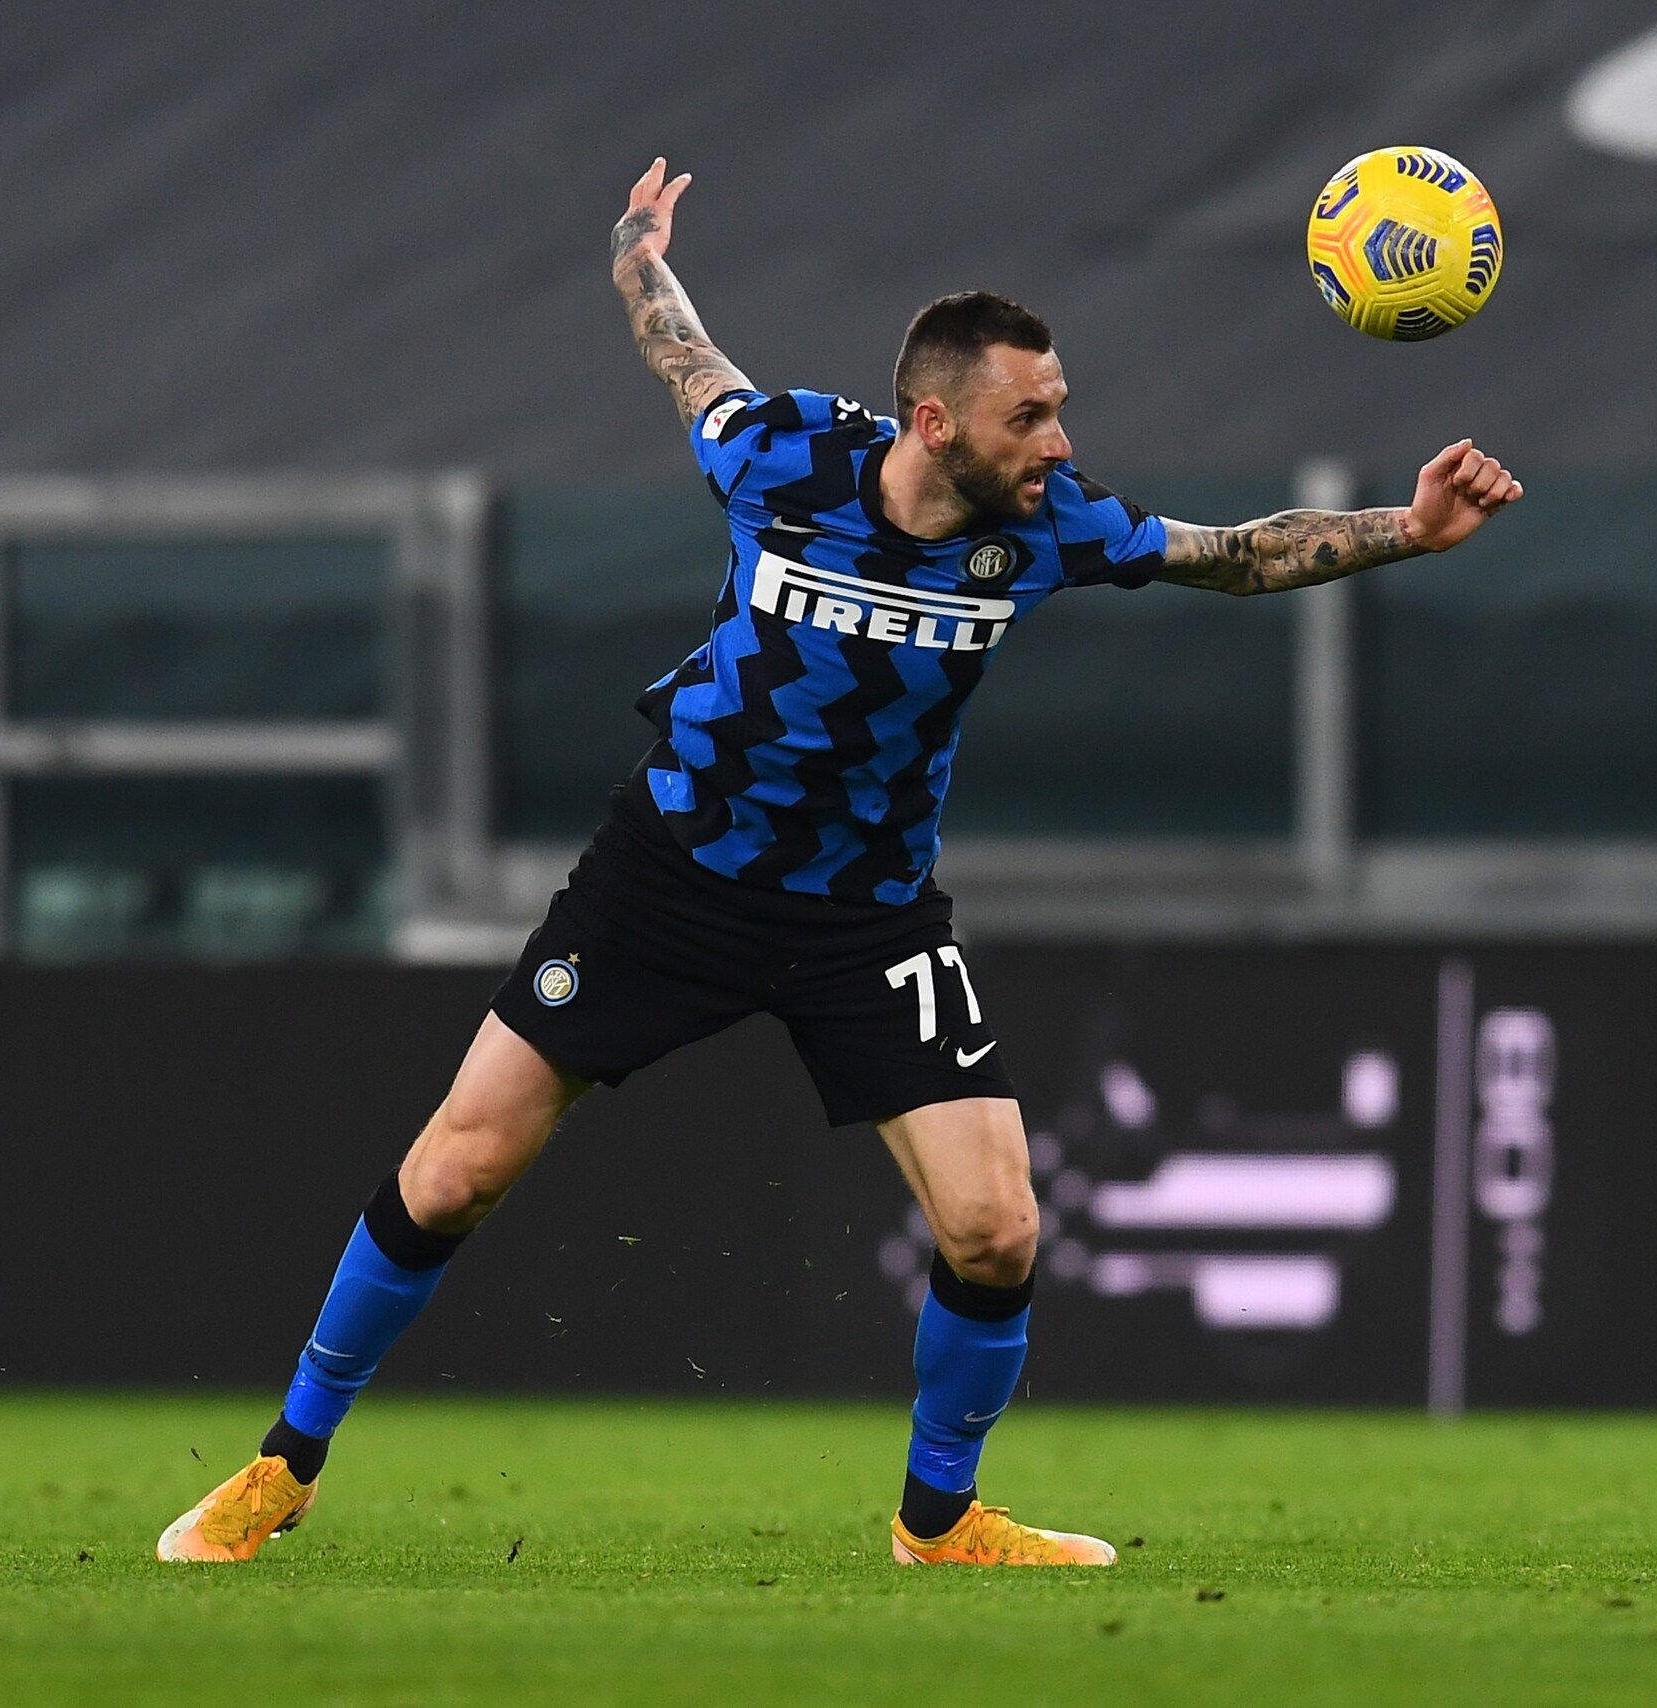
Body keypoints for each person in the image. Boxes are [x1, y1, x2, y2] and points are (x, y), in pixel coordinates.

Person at [157, 158, 1522, 1568]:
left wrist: (1410, 531)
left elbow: (1229, 554)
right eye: (1029, 416)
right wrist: (637, 248)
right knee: (455, 1173)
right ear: (934, 422)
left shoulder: (1048, 526)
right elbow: (685, 356)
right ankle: (283, 1466)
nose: (1059, 443)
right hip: (671, 880)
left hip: (870, 919)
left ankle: (941, 1520)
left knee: (996, 1231)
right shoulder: (783, 459)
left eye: (1059, 409)